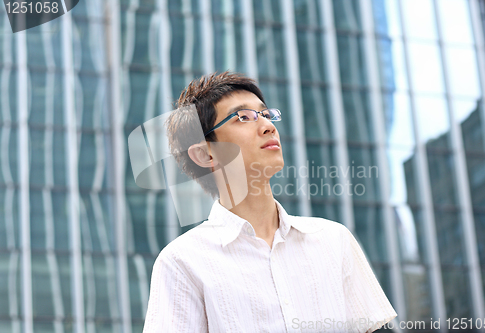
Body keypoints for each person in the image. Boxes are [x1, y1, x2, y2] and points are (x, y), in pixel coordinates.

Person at [142, 71, 397, 332]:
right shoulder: (183, 261)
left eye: (266, 114)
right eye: (242, 117)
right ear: (205, 154)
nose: (268, 126)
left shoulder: (333, 239)